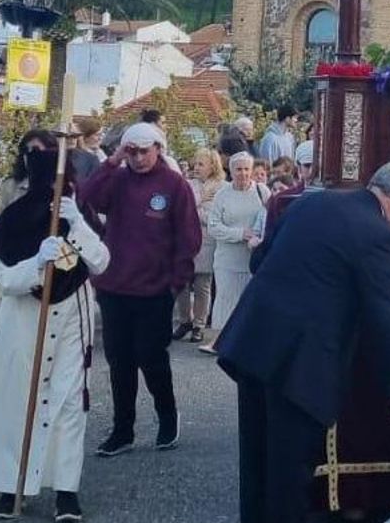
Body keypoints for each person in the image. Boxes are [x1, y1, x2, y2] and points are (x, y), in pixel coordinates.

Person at [216, 162, 390, 523]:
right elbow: (384, 318)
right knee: (288, 481)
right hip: (301, 365)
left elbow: (261, 259)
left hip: (255, 345)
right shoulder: (379, 236)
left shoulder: (310, 205)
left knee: (258, 473)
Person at [0, 131, 109, 523]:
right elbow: (6, 279)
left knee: (69, 402)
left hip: (73, 316)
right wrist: (36, 263)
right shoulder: (16, 215)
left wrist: (77, 227)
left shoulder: (79, 210)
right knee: (18, 399)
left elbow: (102, 261)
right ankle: (11, 484)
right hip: (25, 320)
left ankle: (66, 491)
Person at [79, 123, 202, 457]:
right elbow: (85, 198)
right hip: (115, 286)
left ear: (158, 149)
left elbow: (188, 238)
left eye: (143, 150)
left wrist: (175, 284)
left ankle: (166, 416)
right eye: (130, 151)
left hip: (155, 290)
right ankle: (123, 430)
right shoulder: (118, 179)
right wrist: (111, 161)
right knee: (120, 361)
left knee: (152, 357)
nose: (137, 157)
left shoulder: (174, 185)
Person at [201, 152, 269, 355]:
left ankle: (248, 343)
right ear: (230, 171)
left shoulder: (262, 191)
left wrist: (259, 238)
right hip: (227, 258)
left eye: (247, 169)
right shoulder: (223, 194)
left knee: (250, 300)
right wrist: (240, 234)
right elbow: (213, 227)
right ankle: (218, 342)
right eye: (239, 169)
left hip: (253, 258)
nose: (244, 173)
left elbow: (271, 218)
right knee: (225, 298)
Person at [174, 149, 225, 344]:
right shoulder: (187, 184)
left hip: (207, 240)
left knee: (203, 283)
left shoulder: (221, 187)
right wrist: (199, 204)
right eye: (195, 164)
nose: (196, 168)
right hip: (185, 238)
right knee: (181, 283)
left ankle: (199, 325)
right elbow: (181, 210)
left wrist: (196, 207)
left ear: (213, 166)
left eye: (201, 164)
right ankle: (184, 320)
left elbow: (211, 216)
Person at [69, 117, 107, 184]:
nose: (100, 138)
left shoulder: (99, 153)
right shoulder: (76, 156)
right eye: (97, 135)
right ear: (85, 136)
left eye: (101, 135)